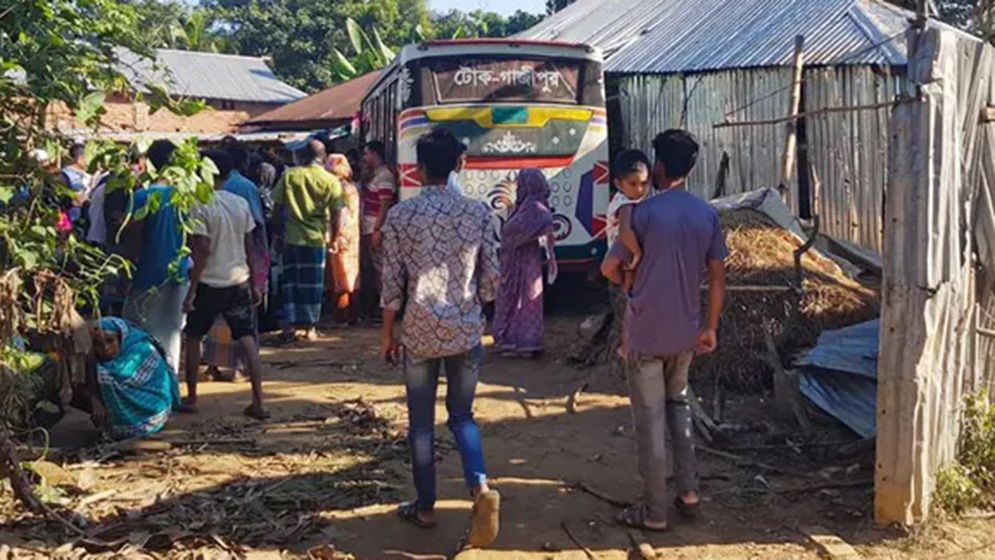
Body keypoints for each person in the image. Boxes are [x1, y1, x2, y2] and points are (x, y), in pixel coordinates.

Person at [601, 130, 727, 533]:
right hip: (687, 333)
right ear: (689, 169)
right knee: (679, 407)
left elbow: (608, 266)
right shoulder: (706, 214)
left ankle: (654, 512)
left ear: (658, 166)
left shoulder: (641, 214)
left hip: (646, 334)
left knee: (650, 420)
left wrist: (628, 283)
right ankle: (688, 492)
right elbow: (718, 278)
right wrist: (709, 327)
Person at [380, 127, 501, 547]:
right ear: (459, 164)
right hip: (465, 331)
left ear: (417, 168)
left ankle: (426, 506)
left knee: (420, 427)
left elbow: (392, 283)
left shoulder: (400, 216)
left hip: (417, 331)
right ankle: (480, 487)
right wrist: (476, 308)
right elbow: (491, 280)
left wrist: (387, 335)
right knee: (463, 416)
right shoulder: (479, 212)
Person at [182, 150, 269, 420]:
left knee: (194, 337)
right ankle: (259, 400)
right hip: (238, 279)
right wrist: (255, 282)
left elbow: (202, 249)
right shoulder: (240, 203)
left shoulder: (200, 204)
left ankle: (193, 397)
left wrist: (192, 288)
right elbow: (249, 245)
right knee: (247, 339)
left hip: (209, 280)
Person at [200, 145, 269, 382]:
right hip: (238, 266)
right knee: (243, 327)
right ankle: (241, 370)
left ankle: (211, 366)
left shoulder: (201, 195)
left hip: (210, 269)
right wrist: (258, 272)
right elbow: (255, 230)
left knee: (211, 323)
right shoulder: (246, 188)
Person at [122, 140, 190, 373]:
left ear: (150, 163)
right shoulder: (186, 197)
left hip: (148, 271)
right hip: (179, 271)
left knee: (140, 328)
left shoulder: (142, 196)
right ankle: (169, 385)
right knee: (172, 332)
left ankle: (145, 381)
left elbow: (135, 239)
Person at [272, 139, 343, 342]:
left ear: (303, 156)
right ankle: (310, 327)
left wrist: (278, 234)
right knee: (313, 284)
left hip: (291, 237)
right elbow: (337, 213)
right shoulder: (330, 181)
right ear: (322, 157)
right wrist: (334, 238)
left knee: (290, 282)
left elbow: (277, 208)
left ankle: (290, 326)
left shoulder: (289, 176)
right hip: (316, 238)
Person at [492, 169, 556, 357]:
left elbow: (513, 231)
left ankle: (516, 342)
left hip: (520, 262)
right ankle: (524, 342)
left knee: (519, 300)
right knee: (527, 299)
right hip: (527, 262)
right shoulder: (532, 206)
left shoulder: (533, 208)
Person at [90, 317, 186, 439]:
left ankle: (120, 424)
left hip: (153, 413)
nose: (105, 349)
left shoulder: (141, 350)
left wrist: (90, 362)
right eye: (98, 344)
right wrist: (94, 399)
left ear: (121, 338)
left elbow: (108, 374)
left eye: (110, 341)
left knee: (103, 377)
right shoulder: (104, 361)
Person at [359, 140, 396, 322]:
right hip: (369, 227)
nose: (364, 158)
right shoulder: (375, 175)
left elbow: (385, 205)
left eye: (367, 154)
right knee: (373, 269)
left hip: (376, 228)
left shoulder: (385, 176)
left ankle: (386, 310)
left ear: (375, 154)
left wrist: (377, 229)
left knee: (381, 269)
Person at [606, 149, 652, 291]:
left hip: (624, 249)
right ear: (619, 184)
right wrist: (637, 253)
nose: (639, 189)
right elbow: (625, 231)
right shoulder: (625, 203)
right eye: (632, 184)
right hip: (625, 249)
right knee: (624, 278)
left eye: (644, 183)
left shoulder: (633, 199)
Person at [325, 153, 361, 326]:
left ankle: (342, 317)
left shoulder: (338, 188)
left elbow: (339, 214)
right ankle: (352, 316)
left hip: (341, 235)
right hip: (352, 234)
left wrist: (334, 236)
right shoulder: (352, 187)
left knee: (341, 278)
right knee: (352, 275)